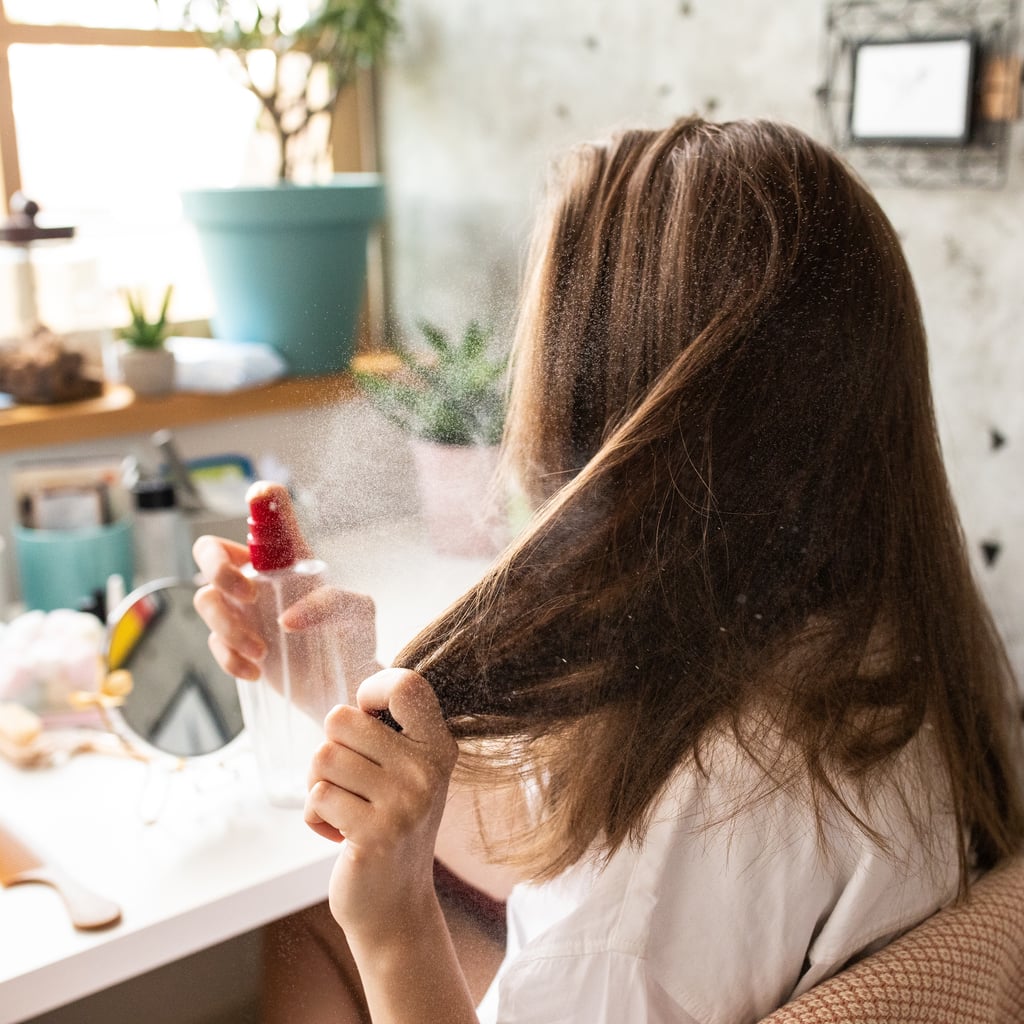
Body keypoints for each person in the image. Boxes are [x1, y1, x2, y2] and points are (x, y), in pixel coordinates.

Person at [193, 115, 1024, 1024]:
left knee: (323, 933)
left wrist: (393, 926)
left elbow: (613, 896)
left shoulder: (665, 859)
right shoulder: (878, 653)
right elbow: (562, 839)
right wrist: (337, 686)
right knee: (307, 932)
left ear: (608, 404)